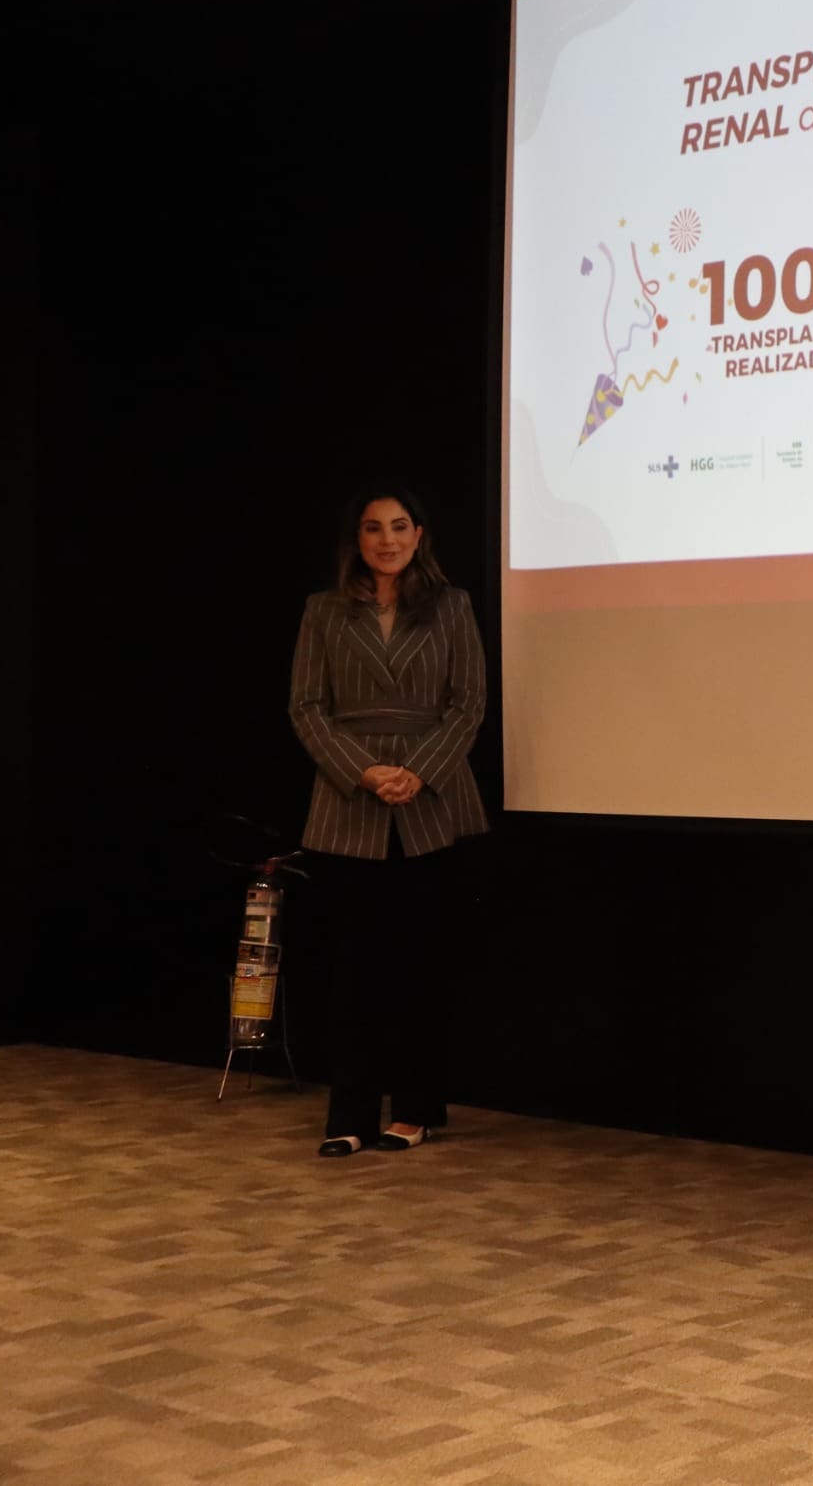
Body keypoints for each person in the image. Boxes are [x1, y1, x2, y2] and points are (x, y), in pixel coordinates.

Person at [288, 486, 489, 1158]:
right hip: (350, 799)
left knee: (421, 964)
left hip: (432, 800)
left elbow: (468, 704)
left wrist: (417, 771)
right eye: (374, 529)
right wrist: (365, 771)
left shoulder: (452, 605)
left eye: (400, 527)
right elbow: (306, 708)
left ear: (419, 535)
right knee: (355, 969)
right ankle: (348, 1115)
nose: (387, 540)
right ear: (357, 538)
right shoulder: (323, 610)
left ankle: (416, 1109)